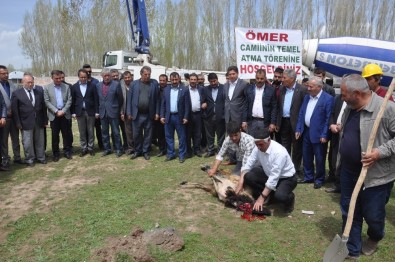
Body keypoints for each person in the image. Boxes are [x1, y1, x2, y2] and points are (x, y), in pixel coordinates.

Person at [337, 74, 395, 259]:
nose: (342, 97)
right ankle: (352, 249)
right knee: (349, 210)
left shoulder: (387, 109)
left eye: (344, 93)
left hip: (375, 177)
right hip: (348, 171)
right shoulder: (350, 106)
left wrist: (379, 152)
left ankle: (375, 236)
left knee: (373, 215)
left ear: (357, 93)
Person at [236, 127, 297, 214]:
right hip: (268, 174)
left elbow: (274, 177)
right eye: (256, 145)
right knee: (248, 176)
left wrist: (261, 198)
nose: (258, 147)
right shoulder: (257, 147)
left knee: (280, 196)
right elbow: (248, 164)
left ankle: (290, 198)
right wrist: (240, 183)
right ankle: (270, 195)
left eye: (261, 145)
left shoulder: (279, 152)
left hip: (286, 178)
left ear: (268, 140)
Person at [295, 76, 334, 189]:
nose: (308, 89)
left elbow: (328, 118)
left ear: (319, 87)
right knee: (306, 156)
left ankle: (319, 179)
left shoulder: (328, 99)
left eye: (311, 87)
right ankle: (308, 177)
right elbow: (302, 113)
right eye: (308, 86)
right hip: (306, 131)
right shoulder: (307, 98)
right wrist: (299, 128)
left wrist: (324, 134)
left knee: (319, 157)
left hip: (319, 133)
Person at [276, 69, 307, 178]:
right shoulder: (281, 89)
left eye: (284, 78)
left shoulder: (302, 89)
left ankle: (296, 170)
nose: (282, 80)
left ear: (292, 79)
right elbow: (278, 107)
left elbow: (304, 109)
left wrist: (301, 125)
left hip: (296, 123)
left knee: (297, 148)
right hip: (283, 122)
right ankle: (286, 169)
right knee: (285, 147)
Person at [11, 75, 47, 167]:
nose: (30, 84)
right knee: (27, 142)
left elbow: (43, 107)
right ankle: (30, 159)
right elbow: (15, 110)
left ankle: (41, 157)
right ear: (23, 82)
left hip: (39, 121)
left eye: (32, 82)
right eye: (28, 82)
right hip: (25, 122)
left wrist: (45, 120)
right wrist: (18, 123)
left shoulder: (38, 92)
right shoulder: (17, 93)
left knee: (40, 141)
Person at [127, 66, 159, 160]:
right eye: (145, 74)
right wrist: (129, 112)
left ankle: (146, 151)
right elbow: (129, 100)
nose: (147, 76)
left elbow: (157, 100)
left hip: (149, 114)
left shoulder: (154, 83)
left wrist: (156, 112)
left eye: (149, 74)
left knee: (148, 135)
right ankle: (137, 151)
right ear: (141, 74)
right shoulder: (134, 84)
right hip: (137, 114)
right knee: (136, 134)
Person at [160, 72, 190, 163]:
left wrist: (186, 117)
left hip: (179, 117)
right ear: (170, 79)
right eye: (172, 80)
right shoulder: (166, 89)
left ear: (179, 79)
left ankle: (181, 155)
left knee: (182, 137)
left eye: (176, 79)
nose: (174, 81)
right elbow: (163, 104)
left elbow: (187, 105)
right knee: (169, 137)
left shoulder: (184, 89)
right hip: (168, 117)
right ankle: (171, 154)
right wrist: (162, 116)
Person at [44, 70, 73, 161]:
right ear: (52, 78)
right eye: (56, 78)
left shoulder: (67, 87)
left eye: (60, 78)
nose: (59, 80)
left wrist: (63, 111)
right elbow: (47, 101)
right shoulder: (47, 88)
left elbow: (69, 100)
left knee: (66, 134)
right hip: (54, 115)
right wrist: (56, 111)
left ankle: (67, 152)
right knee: (55, 136)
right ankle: (56, 154)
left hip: (64, 114)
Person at [96, 68, 124, 157]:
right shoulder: (98, 86)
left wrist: (117, 109)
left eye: (108, 75)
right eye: (105, 76)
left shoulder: (116, 85)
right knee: (104, 132)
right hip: (103, 113)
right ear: (102, 76)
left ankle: (118, 149)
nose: (107, 77)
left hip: (113, 112)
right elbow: (98, 100)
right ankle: (107, 149)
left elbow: (120, 99)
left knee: (115, 132)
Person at [71, 69, 98, 157]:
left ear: (87, 77)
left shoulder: (92, 86)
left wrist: (97, 112)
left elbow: (96, 99)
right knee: (82, 131)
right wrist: (73, 112)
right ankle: (84, 148)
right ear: (78, 77)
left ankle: (90, 148)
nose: (83, 79)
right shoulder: (74, 87)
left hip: (90, 111)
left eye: (85, 77)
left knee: (90, 131)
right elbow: (73, 100)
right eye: (81, 77)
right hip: (80, 112)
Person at [0, 65, 22, 167]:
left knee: (15, 138)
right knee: (4, 140)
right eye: (3, 73)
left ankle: (17, 157)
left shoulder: (13, 85)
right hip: (2, 118)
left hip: (14, 117)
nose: (6, 75)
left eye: (7, 73)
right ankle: (5, 159)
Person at [245, 69, 277, 135]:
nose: (259, 80)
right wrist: (244, 121)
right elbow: (246, 105)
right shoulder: (249, 89)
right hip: (251, 122)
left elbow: (274, 108)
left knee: (264, 144)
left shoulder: (271, 90)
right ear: (255, 78)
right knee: (252, 143)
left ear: (265, 78)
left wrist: (273, 123)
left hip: (265, 123)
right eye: (258, 78)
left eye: (262, 78)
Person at [201, 73, 225, 158]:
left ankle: (220, 151)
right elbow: (202, 100)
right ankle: (210, 150)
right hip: (209, 116)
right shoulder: (205, 89)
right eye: (211, 82)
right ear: (209, 82)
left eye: (214, 81)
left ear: (217, 79)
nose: (213, 83)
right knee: (209, 135)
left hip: (221, 116)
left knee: (221, 135)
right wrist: (203, 103)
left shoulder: (224, 88)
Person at [325, 94, 346, 193]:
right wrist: (331, 124)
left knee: (341, 159)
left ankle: (340, 184)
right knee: (333, 156)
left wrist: (343, 126)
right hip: (335, 132)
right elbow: (332, 113)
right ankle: (333, 177)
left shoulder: (354, 99)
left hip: (346, 133)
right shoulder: (338, 98)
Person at [83, 64, 102, 150]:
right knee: (87, 129)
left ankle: (101, 145)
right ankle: (88, 146)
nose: (88, 73)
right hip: (86, 111)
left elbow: (98, 97)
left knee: (98, 129)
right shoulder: (81, 82)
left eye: (90, 71)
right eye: (87, 72)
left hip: (95, 110)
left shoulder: (96, 82)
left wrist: (98, 110)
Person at [186, 73, 203, 158]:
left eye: (194, 80)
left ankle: (197, 149)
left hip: (198, 114)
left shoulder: (201, 89)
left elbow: (204, 99)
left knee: (197, 133)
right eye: (191, 79)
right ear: (189, 80)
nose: (193, 81)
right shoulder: (185, 89)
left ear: (197, 81)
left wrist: (204, 103)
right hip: (188, 115)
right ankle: (189, 151)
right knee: (188, 133)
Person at [120, 70, 135, 155]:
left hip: (136, 112)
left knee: (137, 131)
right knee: (128, 132)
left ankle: (138, 147)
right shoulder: (121, 86)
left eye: (129, 77)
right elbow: (120, 101)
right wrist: (122, 112)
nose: (127, 79)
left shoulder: (136, 84)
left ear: (131, 77)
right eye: (125, 77)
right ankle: (130, 148)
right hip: (125, 112)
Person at [154, 74, 168, 157]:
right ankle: (162, 150)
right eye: (161, 80)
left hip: (168, 115)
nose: (162, 82)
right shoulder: (157, 90)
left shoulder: (169, 89)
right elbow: (156, 103)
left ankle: (169, 149)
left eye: (164, 80)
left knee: (168, 135)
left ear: (167, 81)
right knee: (160, 134)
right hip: (158, 115)